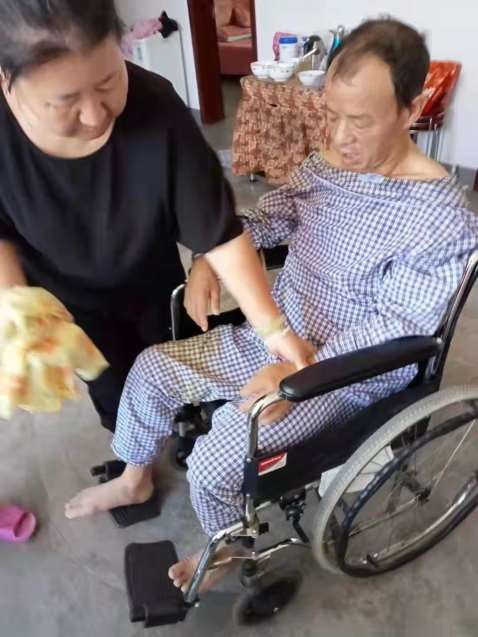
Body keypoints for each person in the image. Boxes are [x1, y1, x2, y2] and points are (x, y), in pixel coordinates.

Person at [65, 18, 478, 593]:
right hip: (277, 333)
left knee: (215, 461)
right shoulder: (328, 166)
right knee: (152, 367)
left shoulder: (442, 219)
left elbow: (397, 329)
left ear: (411, 111)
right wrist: (210, 257)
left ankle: (232, 550)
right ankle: (136, 477)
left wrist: (299, 375)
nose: (339, 137)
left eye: (360, 121)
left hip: (342, 377)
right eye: (331, 115)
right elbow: (269, 216)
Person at [0, 0, 313, 434]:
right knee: (112, 391)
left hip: (153, 280)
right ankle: (135, 461)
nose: (95, 115)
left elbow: (217, 229)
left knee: (168, 372)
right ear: (7, 80)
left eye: (109, 82)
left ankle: (165, 438)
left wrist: (274, 331)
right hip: (65, 301)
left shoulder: (156, 105)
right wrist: (16, 307)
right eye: (64, 101)